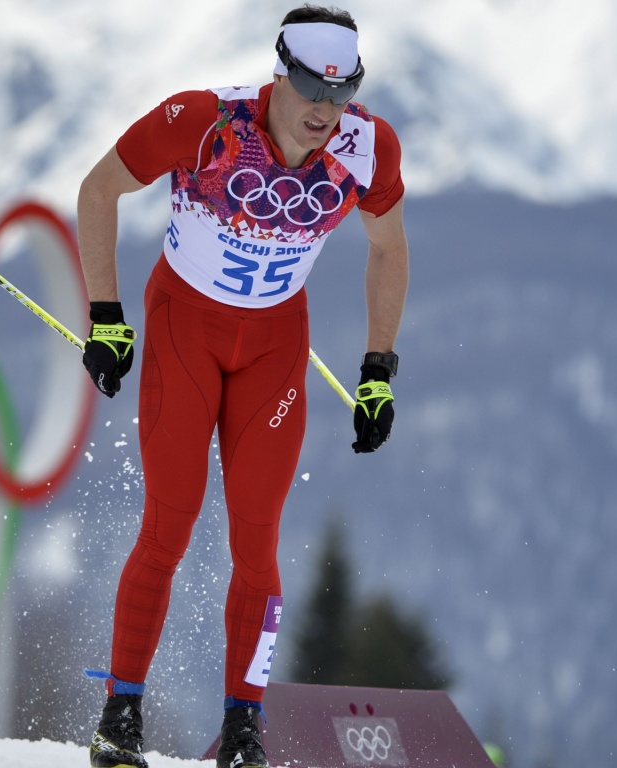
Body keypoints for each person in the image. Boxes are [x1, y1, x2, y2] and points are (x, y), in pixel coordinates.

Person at [76, 5, 408, 768]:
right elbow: (99, 190)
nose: (325, 108)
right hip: (183, 334)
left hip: (273, 352)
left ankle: (244, 729)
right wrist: (105, 317)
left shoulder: (369, 148)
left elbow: (389, 249)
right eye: (308, 85)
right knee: (169, 525)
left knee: (257, 542)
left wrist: (378, 370)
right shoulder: (204, 120)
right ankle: (120, 714)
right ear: (278, 74)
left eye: (343, 89)